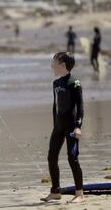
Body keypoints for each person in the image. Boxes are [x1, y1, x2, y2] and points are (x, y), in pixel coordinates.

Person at [41, 51, 85, 203]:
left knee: (72, 158)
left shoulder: (74, 82)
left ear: (62, 65)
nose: (52, 66)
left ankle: (79, 194)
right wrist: (55, 125)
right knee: (51, 157)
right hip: (58, 127)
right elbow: (56, 107)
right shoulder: (56, 84)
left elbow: (80, 106)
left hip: (72, 127)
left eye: (54, 62)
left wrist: (78, 126)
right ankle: (55, 191)